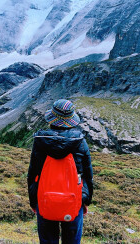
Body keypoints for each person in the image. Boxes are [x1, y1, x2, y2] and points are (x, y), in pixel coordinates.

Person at [27, 99, 93, 244]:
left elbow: (33, 174)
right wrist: (85, 200)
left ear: (52, 118)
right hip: (74, 199)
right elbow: (87, 174)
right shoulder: (80, 141)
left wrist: (33, 201)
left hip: (44, 199)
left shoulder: (40, 141)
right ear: (71, 120)